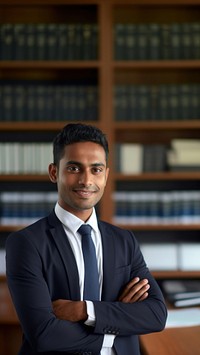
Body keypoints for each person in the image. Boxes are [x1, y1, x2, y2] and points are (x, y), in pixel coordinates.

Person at [6, 123, 167, 355]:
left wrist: (85, 311)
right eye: (74, 168)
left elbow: (156, 315)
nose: (86, 180)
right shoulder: (26, 243)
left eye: (96, 169)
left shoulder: (124, 240)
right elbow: (44, 335)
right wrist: (118, 320)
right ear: (54, 172)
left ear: (106, 175)